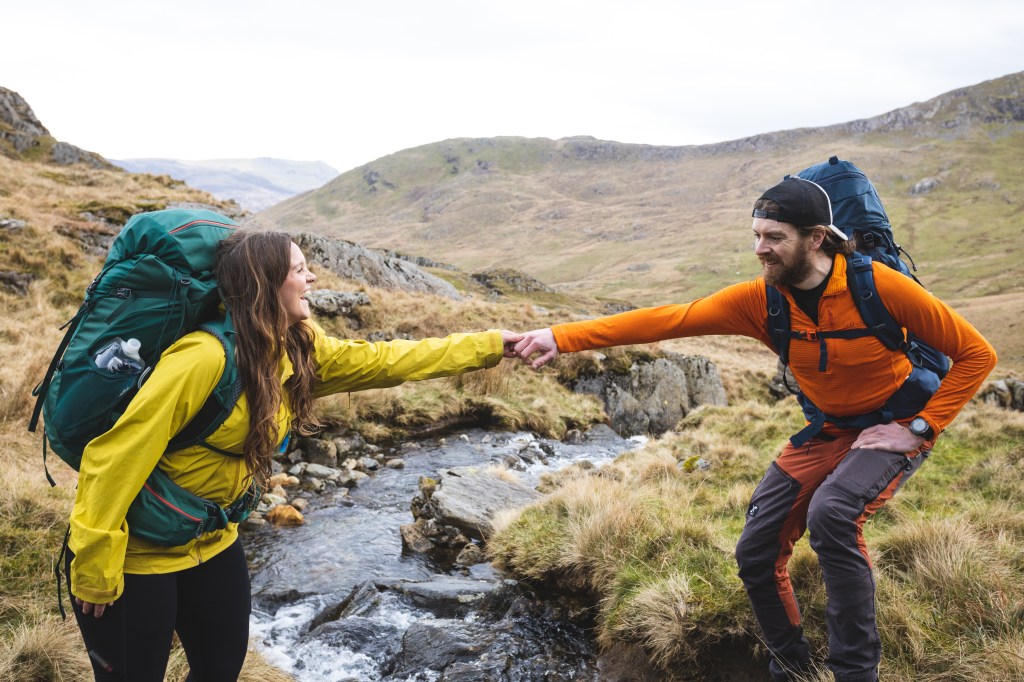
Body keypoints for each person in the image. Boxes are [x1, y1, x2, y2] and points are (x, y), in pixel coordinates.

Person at [512, 176, 997, 682]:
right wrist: (559, 337)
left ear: (815, 238)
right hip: (828, 430)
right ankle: (789, 665)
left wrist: (919, 428)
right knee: (756, 550)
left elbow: (977, 354)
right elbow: (668, 320)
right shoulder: (760, 301)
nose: (761, 249)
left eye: (774, 238)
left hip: (893, 425)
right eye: (756, 236)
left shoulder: (877, 286)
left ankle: (855, 674)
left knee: (833, 515)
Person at [65, 229, 520, 681]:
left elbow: (387, 360)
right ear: (264, 284)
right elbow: (114, 455)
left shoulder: (297, 345)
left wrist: (490, 345)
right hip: (138, 551)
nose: (313, 278)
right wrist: (94, 562)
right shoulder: (202, 359)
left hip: (212, 538)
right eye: (300, 270)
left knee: (220, 669)